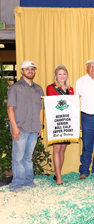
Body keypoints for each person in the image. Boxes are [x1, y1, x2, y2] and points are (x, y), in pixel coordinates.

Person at [7, 60, 45, 193]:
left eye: (32, 68)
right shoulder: (15, 88)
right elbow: (10, 109)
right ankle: (16, 184)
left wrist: (40, 126)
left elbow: (41, 109)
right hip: (20, 129)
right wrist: (14, 128)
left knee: (28, 158)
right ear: (22, 71)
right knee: (18, 158)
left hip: (34, 129)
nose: (30, 71)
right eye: (27, 69)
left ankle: (29, 181)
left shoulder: (39, 89)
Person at [46, 64, 74, 185]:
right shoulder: (50, 88)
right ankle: (59, 179)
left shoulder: (70, 89)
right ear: (56, 76)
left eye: (64, 74)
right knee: (57, 149)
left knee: (63, 149)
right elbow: (54, 104)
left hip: (66, 122)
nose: (62, 76)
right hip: (57, 122)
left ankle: (58, 174)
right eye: (59, 74)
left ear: (66, 75)